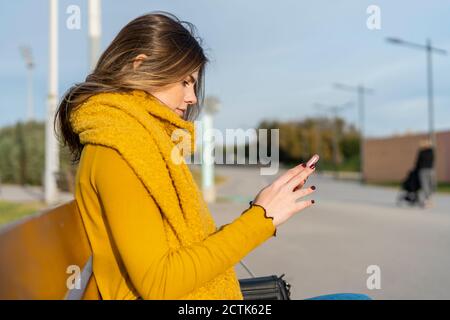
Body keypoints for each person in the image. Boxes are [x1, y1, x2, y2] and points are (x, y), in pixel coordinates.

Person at [55, 12, 368, 300]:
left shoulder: (139, 144)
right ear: (140, 66)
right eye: (185, 81)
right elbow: (160, 283)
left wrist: (260, 212)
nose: (191, 98)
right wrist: (261, 220)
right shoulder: (116, 152)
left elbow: (184, 252)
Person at [414, 138, 436, 208]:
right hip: (430, 170)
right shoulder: (431, 151)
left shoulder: (422, 152)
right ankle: (429, 200)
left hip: (423, 170)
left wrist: (416, 169)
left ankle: (427, 200)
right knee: (430, 185)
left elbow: (418, 162)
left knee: (425, 185)